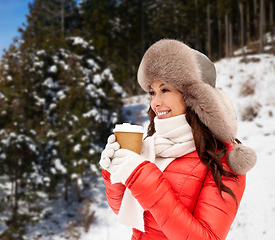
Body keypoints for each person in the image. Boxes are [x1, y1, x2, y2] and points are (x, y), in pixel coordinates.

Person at [99, 39, 257, 240]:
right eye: (152, 92)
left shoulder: (223, 160)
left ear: (194, 96)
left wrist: (141, 176)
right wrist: (114, 173)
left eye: (165, 90)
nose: (156, 102)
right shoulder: (152, 145)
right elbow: (124, 211)